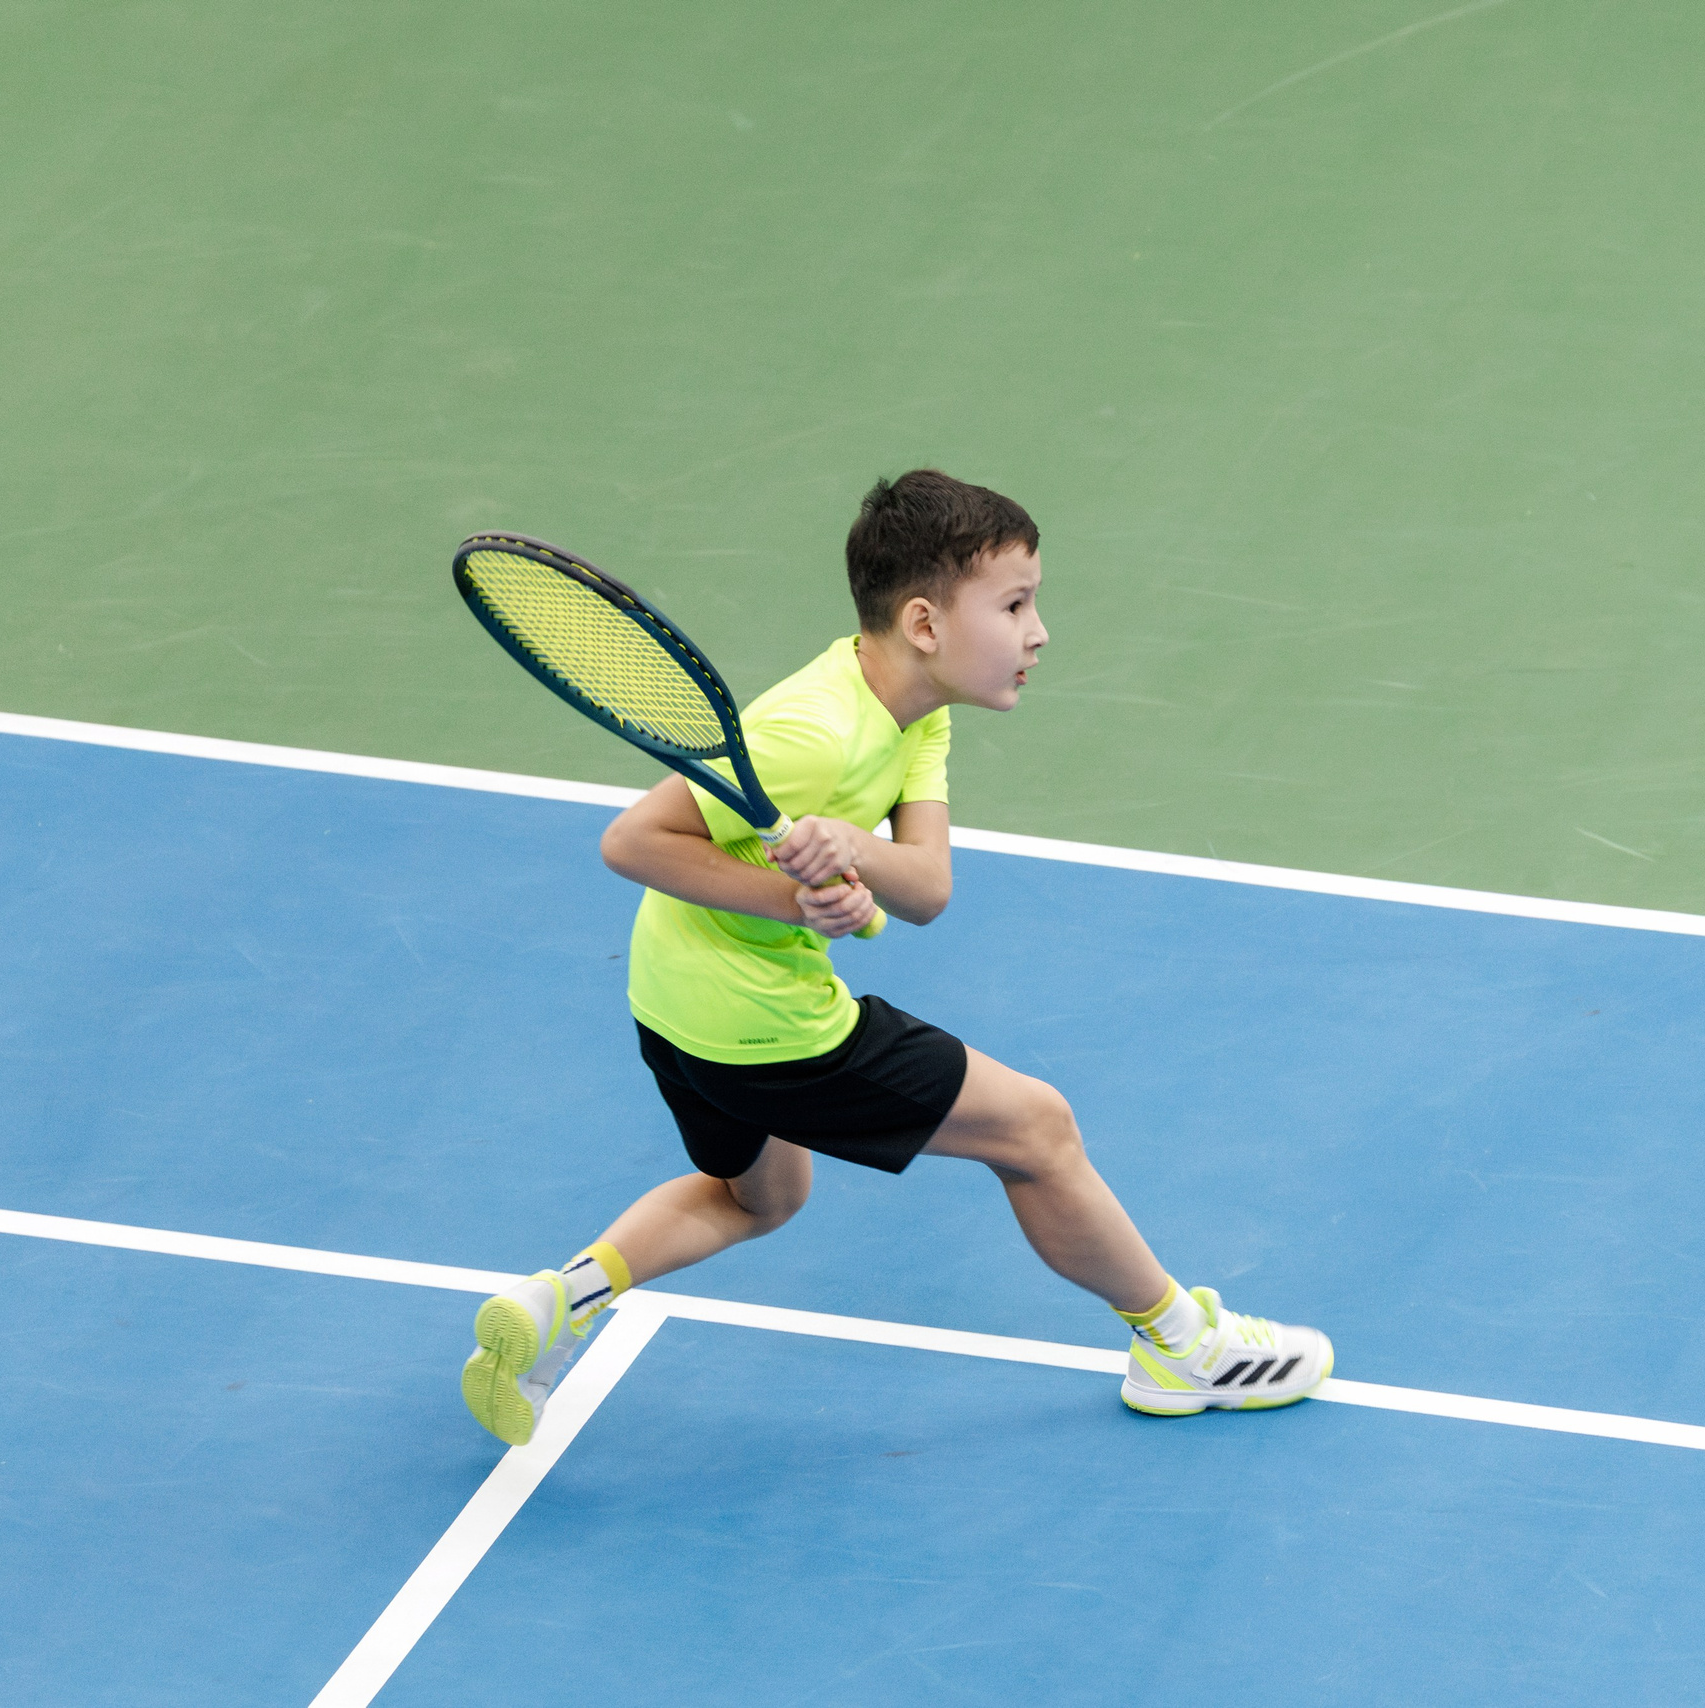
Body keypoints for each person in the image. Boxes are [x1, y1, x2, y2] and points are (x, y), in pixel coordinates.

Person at [460, 469, 1330, 1445]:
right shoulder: (808, 734)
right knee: (1036, 1130)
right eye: (1013, 604)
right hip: (763, 1024)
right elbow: (631, 844)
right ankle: (1182, 1347)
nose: (1038, 631)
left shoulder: (918, 710)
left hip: (675, 1008)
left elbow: (924, 890)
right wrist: (795, 896)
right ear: (924, 622)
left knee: (763, 1196)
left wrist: (852, 854)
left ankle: (553, 1304)